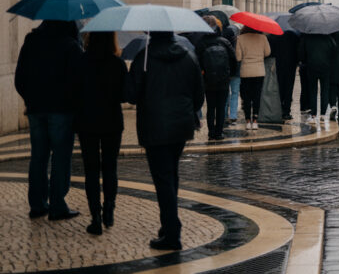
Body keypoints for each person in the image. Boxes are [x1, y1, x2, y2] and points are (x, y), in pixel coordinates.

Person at [125, 31, 204, 250]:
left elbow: (131, 94)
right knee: (171, 175)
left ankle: (171, 231)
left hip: (154, 125)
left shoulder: (144, 58)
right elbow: (199, 96)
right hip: (181, 125)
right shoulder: (188, 56)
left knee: (163, 179)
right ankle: (168, 224)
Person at [14, 20, 84, 221]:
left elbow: (20, 77)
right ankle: (57, 205)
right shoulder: (70, 46)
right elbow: (79, 80)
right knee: (61, 157)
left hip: (36, 109)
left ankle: (37, 204)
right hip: (62, 110)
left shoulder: (31, 40)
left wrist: (30, 97)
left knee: (38, 156)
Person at [74, 31, 126, 235]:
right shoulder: (118, 64)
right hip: (112, 121)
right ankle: (109, 210)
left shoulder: (81, 62)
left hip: (87, 121)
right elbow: (124, 95)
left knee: (91, 170)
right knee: (110, 167)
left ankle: (95, 216)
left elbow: (73, 92)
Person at [195, 16, 237, 140]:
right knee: (220, 107)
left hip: (208, 80)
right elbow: (233, 60)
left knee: (211, 107)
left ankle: (211, 132)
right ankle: (219, 133)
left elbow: (197, 63)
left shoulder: (201, 43)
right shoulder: (224, 41)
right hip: (224, 80)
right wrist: (230, 75)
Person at [235, 26, 271, 130]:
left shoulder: (240, 38)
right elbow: (268, 52)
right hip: (259, 71)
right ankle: (255, 121)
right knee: (257, 96)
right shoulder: (263, 38)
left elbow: (238, 57)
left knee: (246, 97)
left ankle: (247, 121)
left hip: (245, 72)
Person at [299, 33, 336, 124]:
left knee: (312, 91)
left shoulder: (307, 38)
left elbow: (301, 54)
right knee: (325, 90)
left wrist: (306, 60)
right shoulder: (328, 38)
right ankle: (323, 115)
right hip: (325, 67)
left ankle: (313, 116)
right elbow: (334, 51)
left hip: (311, 67)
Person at [270, 28, 300, 121]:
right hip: (291, 65)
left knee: (279, 87)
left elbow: (272, 52)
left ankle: (278, 109)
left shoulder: (274, 36)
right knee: (289, 88)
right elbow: (298, 51)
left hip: (279, 64)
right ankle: (286, 112)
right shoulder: (294, 36)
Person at [221, 24, 241, 126]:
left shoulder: (222, 43)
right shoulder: (238, 42)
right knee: (234, 93)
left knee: (225, 94)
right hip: (236, 72)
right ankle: (233, 116)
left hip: (226, 72)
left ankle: (224, 114)